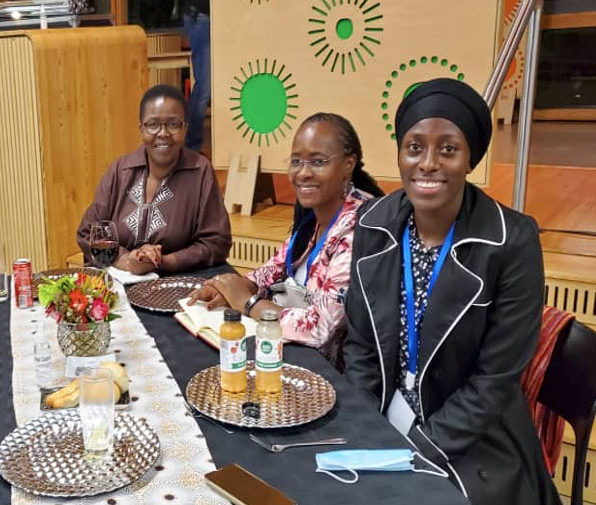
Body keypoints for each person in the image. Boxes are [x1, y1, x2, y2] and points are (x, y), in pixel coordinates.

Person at [343, 79, 559, 504]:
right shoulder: (372, 223)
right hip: (383, 419)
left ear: (469, 160)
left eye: (448, 149)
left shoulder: (512, 241)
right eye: (414, 147)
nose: (427, 163)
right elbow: (361, 346)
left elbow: (493, 383)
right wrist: (368, 430)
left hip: (472, 439)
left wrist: (414, 451)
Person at [188, 113, 383, 362]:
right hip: (290, 353)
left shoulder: (359, 228)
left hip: (331, 376)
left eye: (318, 161)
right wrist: (228, 288)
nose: (303, 173)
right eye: (296, 161)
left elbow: (321, 329)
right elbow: (273, 269)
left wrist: (248, 303)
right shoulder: (315, 213)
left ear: (348, 164)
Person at [76, 84, 231, 274]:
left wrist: (166, 261)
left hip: (176, 283)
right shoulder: (120, 170)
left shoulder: (200, 171)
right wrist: (126, 260)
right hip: (119, 279)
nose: (163, 133)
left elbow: (217, 242)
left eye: (173, 124)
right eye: (153, 124)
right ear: (141, 129)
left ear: (185, 128)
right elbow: (88, 233)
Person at [183, 0, 209, 153]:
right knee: (204, 86)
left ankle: (192, 147)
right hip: (201, 17)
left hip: (218, 18)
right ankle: (191, 148)